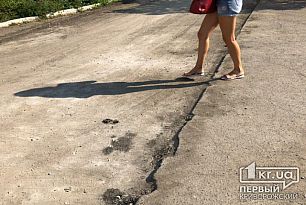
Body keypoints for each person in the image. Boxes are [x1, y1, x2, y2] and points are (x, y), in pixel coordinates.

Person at [183, 0, 244, 80]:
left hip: (228, 3)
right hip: (218, 2)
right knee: (202, 34)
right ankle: (198, 68)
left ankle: (238, 70)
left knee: (229, 38)